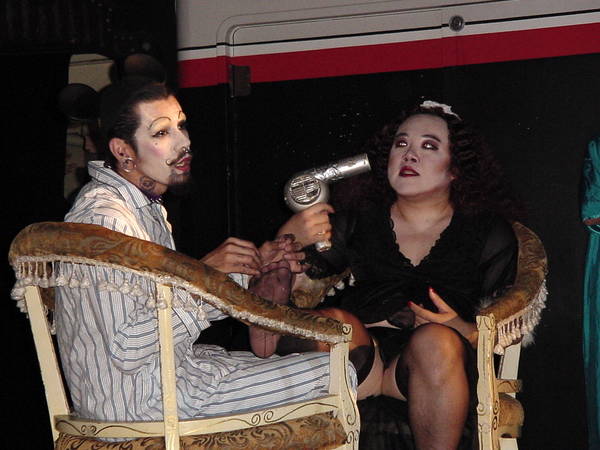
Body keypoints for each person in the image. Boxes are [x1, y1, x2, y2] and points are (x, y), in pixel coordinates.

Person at [54, 77, 357, 425]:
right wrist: (203, 277)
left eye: (181, 126)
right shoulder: (106, 219)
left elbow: (164, 315)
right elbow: (127, 349)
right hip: (142, 404)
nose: (184, 142)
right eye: (162, 132)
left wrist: (250, 269)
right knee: (336, 372)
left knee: (330, 362)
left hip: (168, 380)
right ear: (123, 151)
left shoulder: (144, 206)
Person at [277, 100, 520, 449]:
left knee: (435, 343)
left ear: (455, 168)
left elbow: (506, 326)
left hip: (440, 363)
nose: (409, 155)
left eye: (429, 146)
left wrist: (462, 329)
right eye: (401, 143)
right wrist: (288, 238)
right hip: (363, 357)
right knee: (330, 324)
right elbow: (293, 278)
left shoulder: (488, 232)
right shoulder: (358, 219)